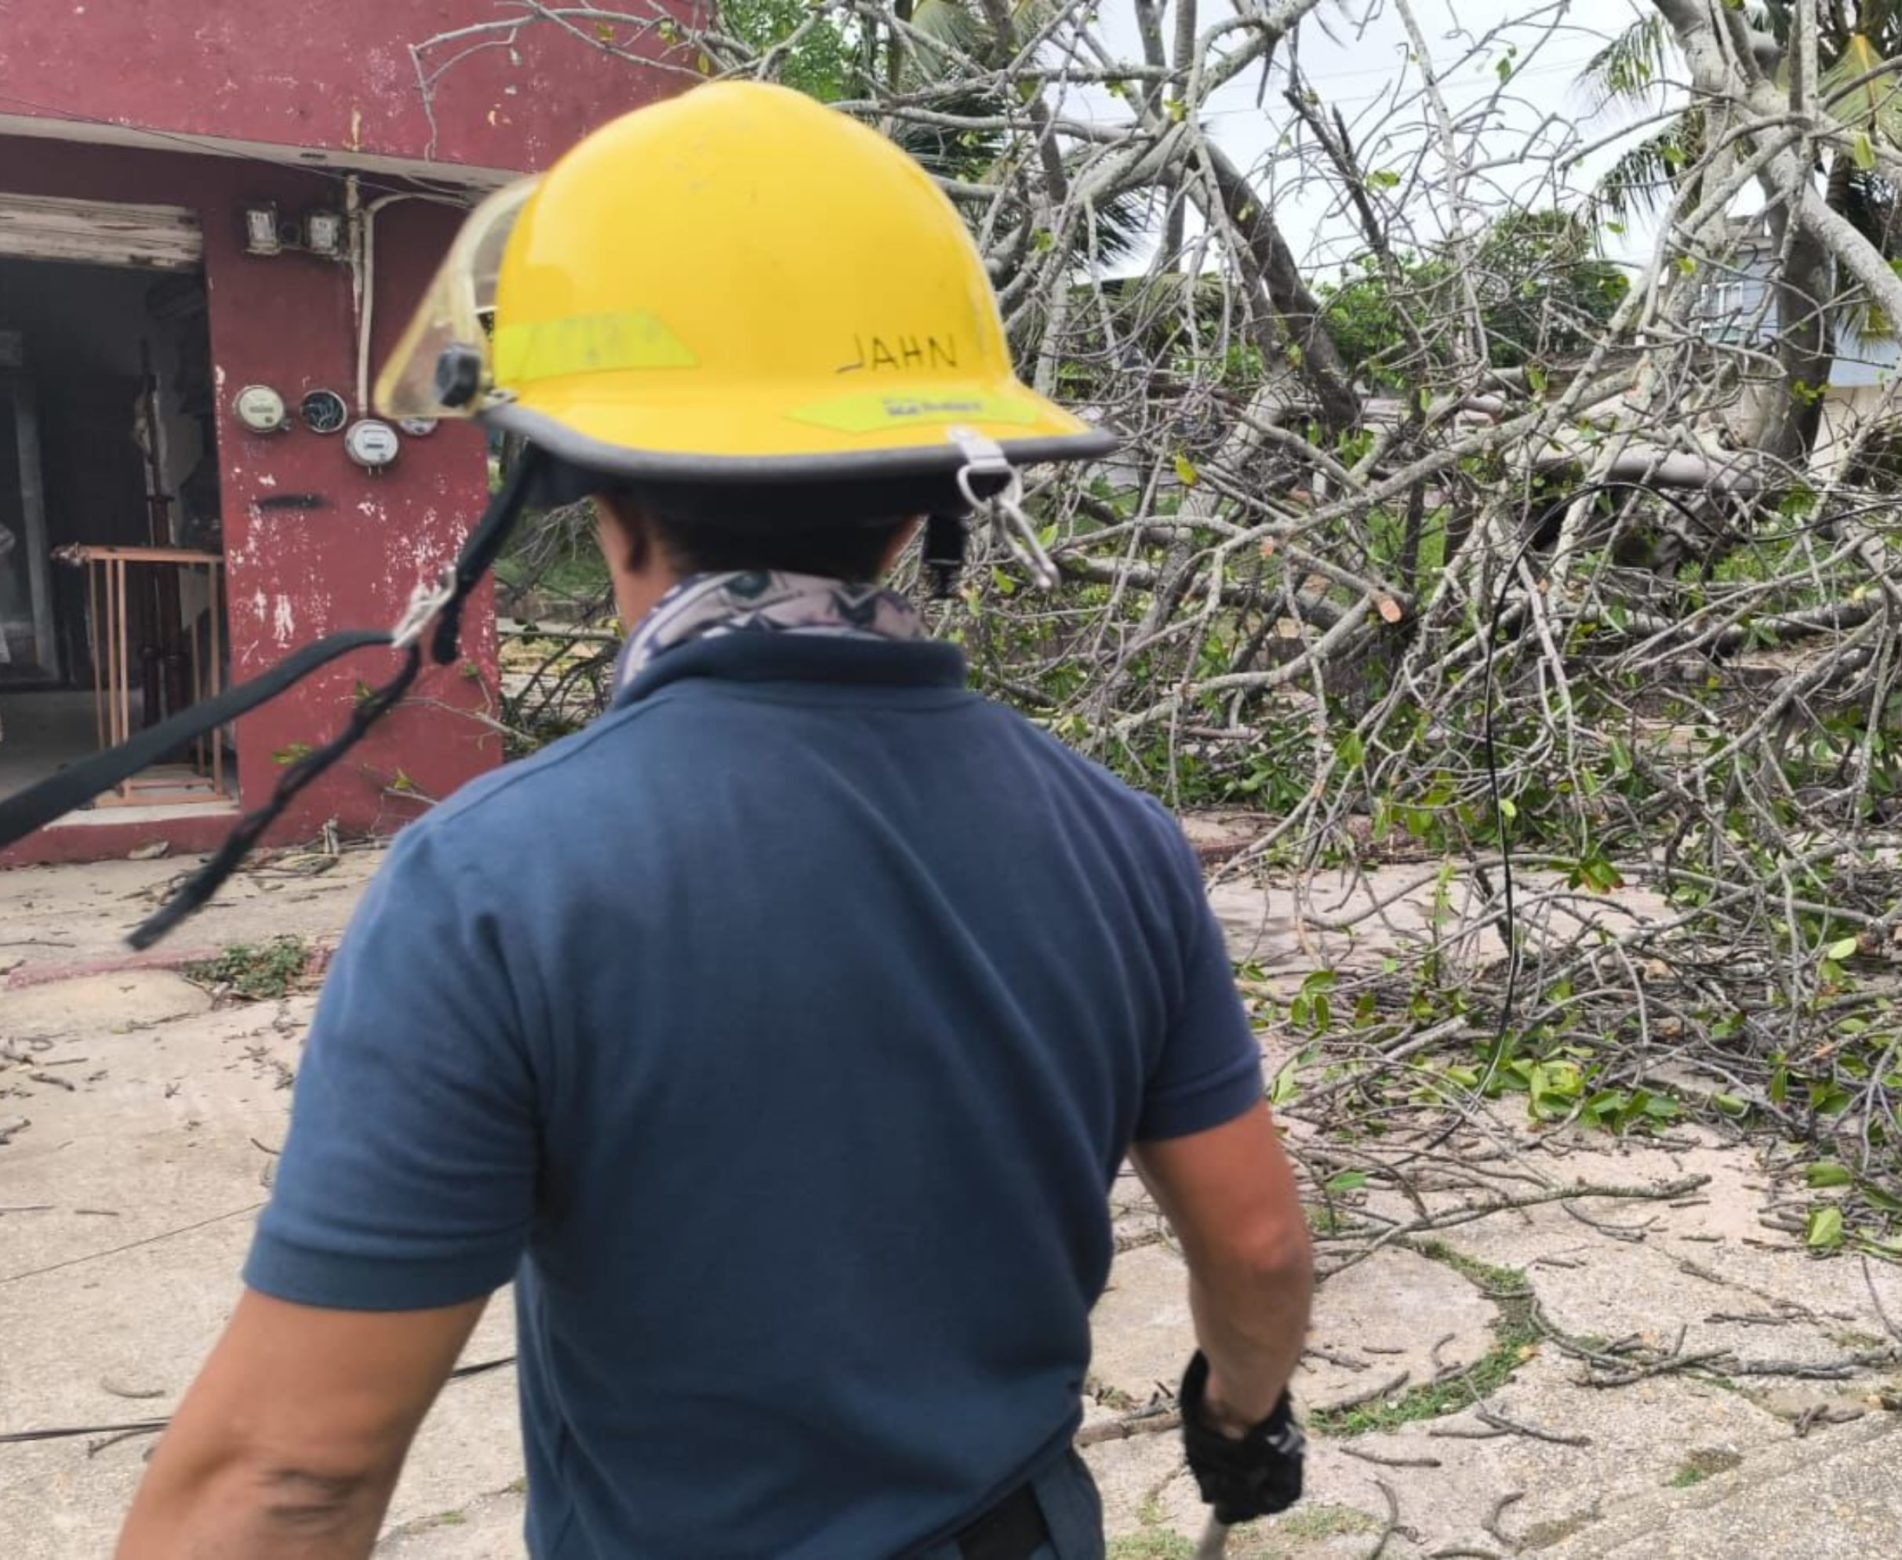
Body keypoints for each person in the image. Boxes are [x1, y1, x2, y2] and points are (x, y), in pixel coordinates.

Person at [114, 81, 1313, 1560]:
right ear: (932, 494)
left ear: (575, 482)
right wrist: (1241, 1418)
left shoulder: (491, 889)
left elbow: (287, 1481)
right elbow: (1255, 1247)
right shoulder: (1117, 836)